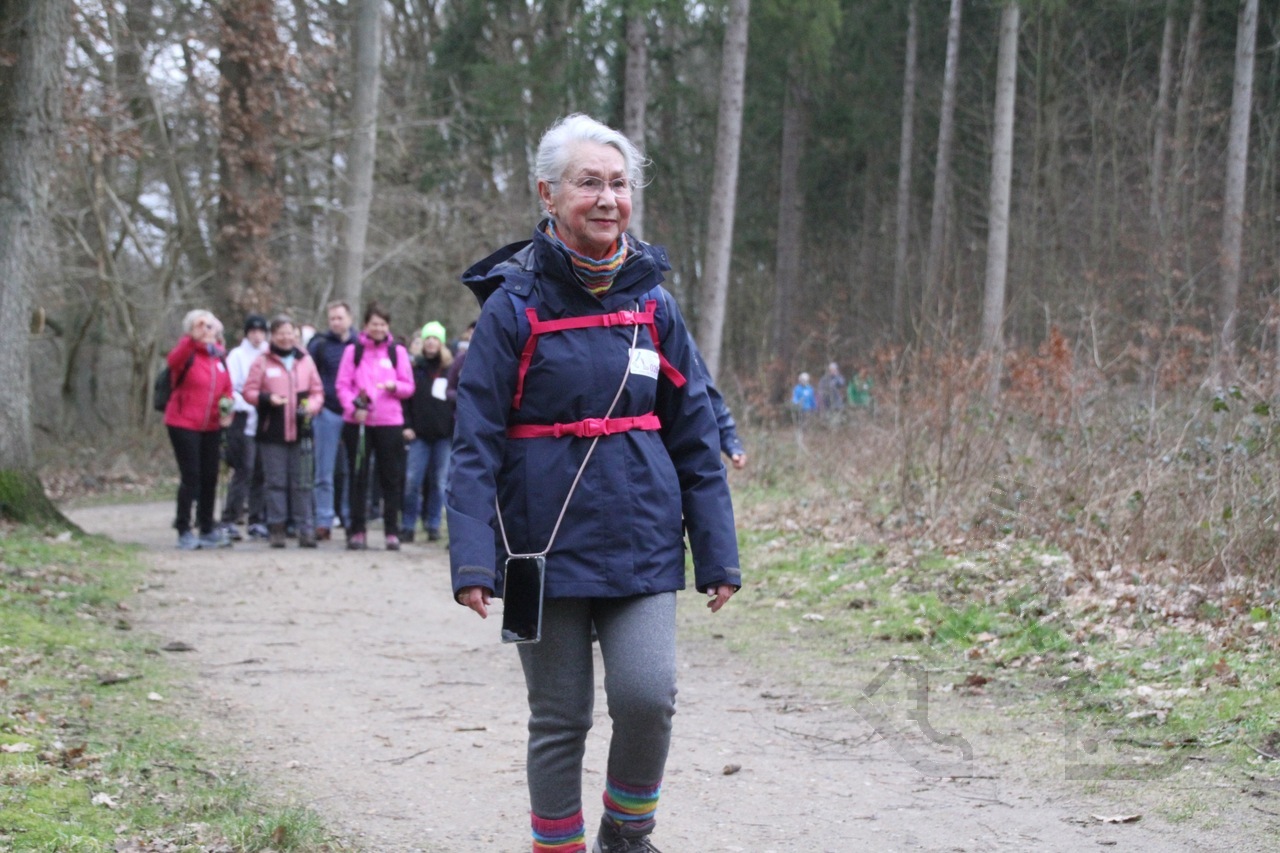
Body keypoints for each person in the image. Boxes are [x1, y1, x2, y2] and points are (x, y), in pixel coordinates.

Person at [448, 113, 740, 853]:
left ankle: (627, 834)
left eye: (619, 183)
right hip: (536, 549)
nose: (608, 198)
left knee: (648, 697)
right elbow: (474, 442)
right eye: (589, 183)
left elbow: (695, 433)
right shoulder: (511, 308)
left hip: (642, 537)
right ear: (548, 194)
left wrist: (717, 551)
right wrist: (473, 560)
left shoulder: (655, 305)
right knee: (560, 716)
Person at [335, 302, 414, 551]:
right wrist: (353, 407)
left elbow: (408, 386)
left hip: (390, 423)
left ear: (388, 326)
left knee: (391, 478)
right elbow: (342, 385)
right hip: (358, 423)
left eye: (382, 324)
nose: (378, 328)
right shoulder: (354, 351)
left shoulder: (397, 352)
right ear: (366, 325)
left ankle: (392, 531)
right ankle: (357, 530)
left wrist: (394, 386)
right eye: (374, 324)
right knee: (358, 476)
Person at [244, 316, 324, 548]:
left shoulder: (306, 360)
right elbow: (249, 391)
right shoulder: (262, 361)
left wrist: (311, 407)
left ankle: (305, 529)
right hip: (272, 431)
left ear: (295, 335)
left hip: (302, 431)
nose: (285, 337)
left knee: (303, 482)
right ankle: (276, 528)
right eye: (280, 333)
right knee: (275, 482)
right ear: (273, 336)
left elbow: (318, 392)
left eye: (289, 333)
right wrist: (267, 398)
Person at [163, 309, 234, 550]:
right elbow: (172, 361)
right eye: (200, 325)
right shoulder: (187, 353)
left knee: (210, 476)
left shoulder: (220, 357)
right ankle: (183, 528)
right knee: (191, 476)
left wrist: (227, 408)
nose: (206, 330)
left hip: (211, 425)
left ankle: (207, 527)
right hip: (183, 422)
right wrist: (191, 338)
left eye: (209, 326)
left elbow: (227, 389)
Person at [400, 321, 453, 543]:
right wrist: (407, 425)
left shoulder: (450, 371)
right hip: (418, 435)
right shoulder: (414, 369)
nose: (431, 342)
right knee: (413, 481)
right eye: (427, 338)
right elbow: (406, 400)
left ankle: (433, 524)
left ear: (441, 343)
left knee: (439, 482)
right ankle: (408, 525)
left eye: (435, 339)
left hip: (444, 436)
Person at [307, 300, 355, 541]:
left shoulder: (360, 345)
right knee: (324, 471)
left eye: (340, 318)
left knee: (352, 470)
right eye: (332, 318)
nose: (336, 322)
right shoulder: (320, 345)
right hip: (327, 412)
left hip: (354, 413)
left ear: (350, 319)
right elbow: (309, 377)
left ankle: (350, 517)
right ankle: (323, 519)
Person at [220, 313, 269, 540]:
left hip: (265, 419)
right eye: (253, 331)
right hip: (243, 418)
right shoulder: (237, 356)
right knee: (244, 469)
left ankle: (257, 519)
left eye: (261, 331)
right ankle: (230, 517)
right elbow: (231, 387)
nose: (257, 336)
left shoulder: (269, 354)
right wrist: (248, 403)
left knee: (261, 471)